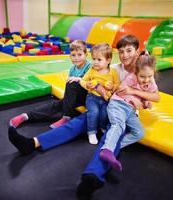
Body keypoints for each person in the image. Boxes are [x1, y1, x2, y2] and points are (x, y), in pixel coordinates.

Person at [8, 35, 157, 198]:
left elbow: (152, 95)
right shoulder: (114, 68)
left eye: (129, 51)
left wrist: (136, 96)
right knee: (77, 123)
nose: (125, 55)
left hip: (124, 114)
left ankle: (93, 176)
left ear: (137, 51)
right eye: (121, 52)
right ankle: (32, 143)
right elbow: (98, 75)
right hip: (107, 105)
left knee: (110, 139)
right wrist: (96, 85)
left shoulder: (143, 70)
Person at [9, 40, 91, 129]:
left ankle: (67, 117)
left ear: (86, 55)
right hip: (77, 97)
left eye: (79, 55)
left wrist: (79, 79)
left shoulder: (89, 67)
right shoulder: (72, 69)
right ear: (70, 56)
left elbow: (91, 85)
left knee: (72, 83)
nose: (76, 58)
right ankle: (26, 116)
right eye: (73, 55)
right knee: (57, 104)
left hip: (88, 97)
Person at [99, 51, 159, 171]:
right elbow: (120, 90)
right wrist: (132, 98)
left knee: (139, 132)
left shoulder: (150, 82)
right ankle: (107, 150)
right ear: (136, 73)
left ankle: (114, 147)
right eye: (142, 76)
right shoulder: (131, 77)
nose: (146, 80)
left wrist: (146, 102)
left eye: (150, 76)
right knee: (118, 125)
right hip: (118, 104)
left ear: (153, 73)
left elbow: (156, 97)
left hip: (130, 111)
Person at [80, 43, 120, 145]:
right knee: (94, 112)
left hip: (106, 98)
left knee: (104, 113)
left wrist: (112, 87)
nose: (95, 62)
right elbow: (82, 81)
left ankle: (103, 127)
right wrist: (87, 85)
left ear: (108, 60)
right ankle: (92, 132)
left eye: (99, 59)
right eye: (93, 59)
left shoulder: (113, 72)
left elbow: (117, 84)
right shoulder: (91, 70)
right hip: (92, 97)